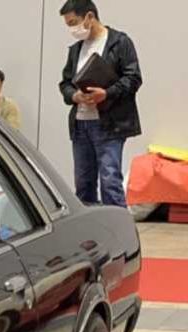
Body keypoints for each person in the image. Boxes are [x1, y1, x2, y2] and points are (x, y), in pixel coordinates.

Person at [58, 0, 142, 207]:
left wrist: (107, 93)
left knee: (110, 181)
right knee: (83, 184)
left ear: (89, 16)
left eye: (73, 23)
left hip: (110, 124)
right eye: (68, 25)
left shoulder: (119, 42)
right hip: (80, 124)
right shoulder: (76, 49)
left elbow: (133, 78)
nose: (72, 29)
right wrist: (74, 96)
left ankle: (117, 226)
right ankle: (90, 227)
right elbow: (65, 83)